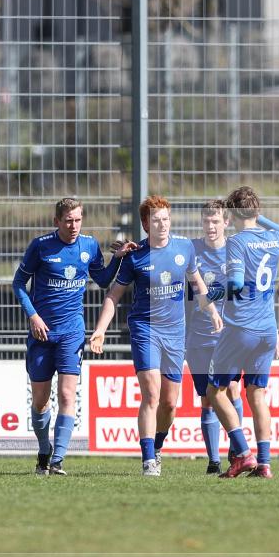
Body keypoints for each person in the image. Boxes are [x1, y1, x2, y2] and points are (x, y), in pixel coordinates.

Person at [89, 195, 222, 476]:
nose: (162, 224)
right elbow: (114, 295)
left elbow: (197, 285)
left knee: (170, 404)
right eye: (156, 220)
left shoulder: (184, 248)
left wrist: (211, 312)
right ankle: (148, 460)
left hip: (176, 333)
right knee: (151, 394)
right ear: (146, 224)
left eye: (166, 219)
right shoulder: (134, 256)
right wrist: (100, 331)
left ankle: (157, 447)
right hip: (145, 329)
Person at [13, 197, 136, 476]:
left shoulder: (90, 246)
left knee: (68, 393)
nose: (74, 225)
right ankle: (44, 451)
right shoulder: (41, 246)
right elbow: (18, 283)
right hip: (42, 333)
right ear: (57, 221)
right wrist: (33, 316)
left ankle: (57, 460)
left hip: (72, 331)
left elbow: (103, 280)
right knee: (41, 400)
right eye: (68, 220)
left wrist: (118, 259)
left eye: (78, 219)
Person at [206, 186, 279, 479]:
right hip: (267, 330)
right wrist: (260, 218)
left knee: (215, 391)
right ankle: (265, 464)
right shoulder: (272, 239)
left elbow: (234, 283)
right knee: (257, 395)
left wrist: (213, 292)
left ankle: (244, 455)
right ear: (256, 211)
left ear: (231, 214)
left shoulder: (237, 242)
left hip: (240, 327)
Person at [186, 200, 243, 475]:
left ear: (226, 223)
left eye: (216, 221)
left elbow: (249, 294)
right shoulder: (191, 250)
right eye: (206, 221)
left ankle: (237, 450)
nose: (210, 226)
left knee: (232, 391)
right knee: (207, 399)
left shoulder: (236, 251)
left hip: (229, 337)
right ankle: (213, 461)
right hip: (198, 337)